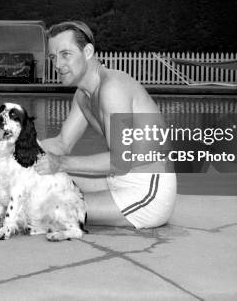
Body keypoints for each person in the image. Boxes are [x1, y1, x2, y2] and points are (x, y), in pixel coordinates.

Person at [35, 21, 177, 228]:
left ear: (88, 51)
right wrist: (17, 149)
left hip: (147, 191)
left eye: (66, 54)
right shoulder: (82, 95)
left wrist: (61, 163)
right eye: (53, 57)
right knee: (39, 181)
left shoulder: (112, 88)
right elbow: (62, 143)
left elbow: (121, 160)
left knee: (49, 206)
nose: (57, 65)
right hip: (115, 180)